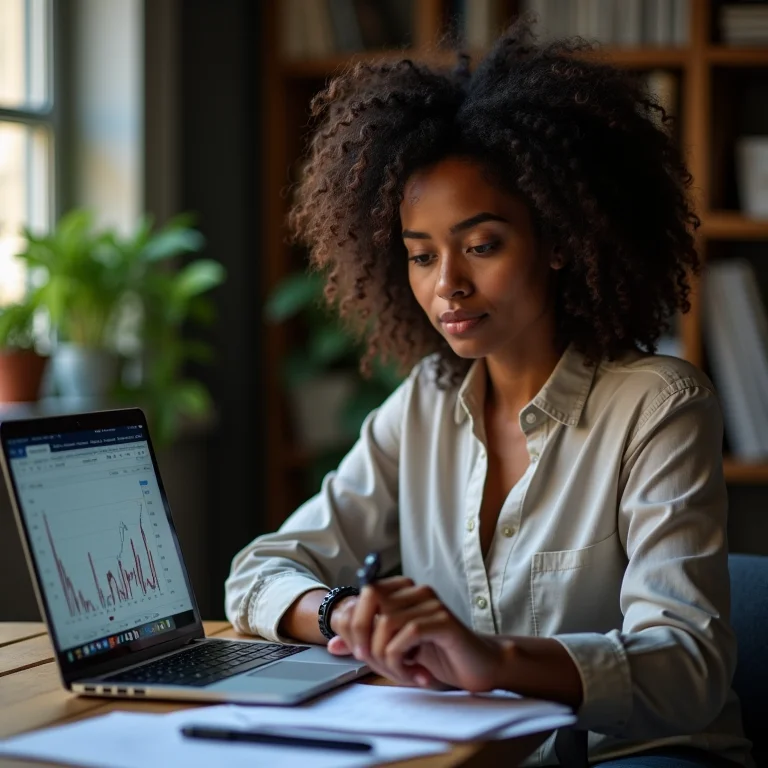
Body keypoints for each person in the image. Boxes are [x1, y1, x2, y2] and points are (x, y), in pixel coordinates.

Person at [226, 18, 753, 768]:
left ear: (561, 240)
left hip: (635, 756)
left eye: (481, 246)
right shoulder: (425, 404)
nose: (448, 285)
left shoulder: (660, 406)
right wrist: (345, 614)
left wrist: (491, 658)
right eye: (421, 256)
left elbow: (687, 667)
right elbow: (259, 569)